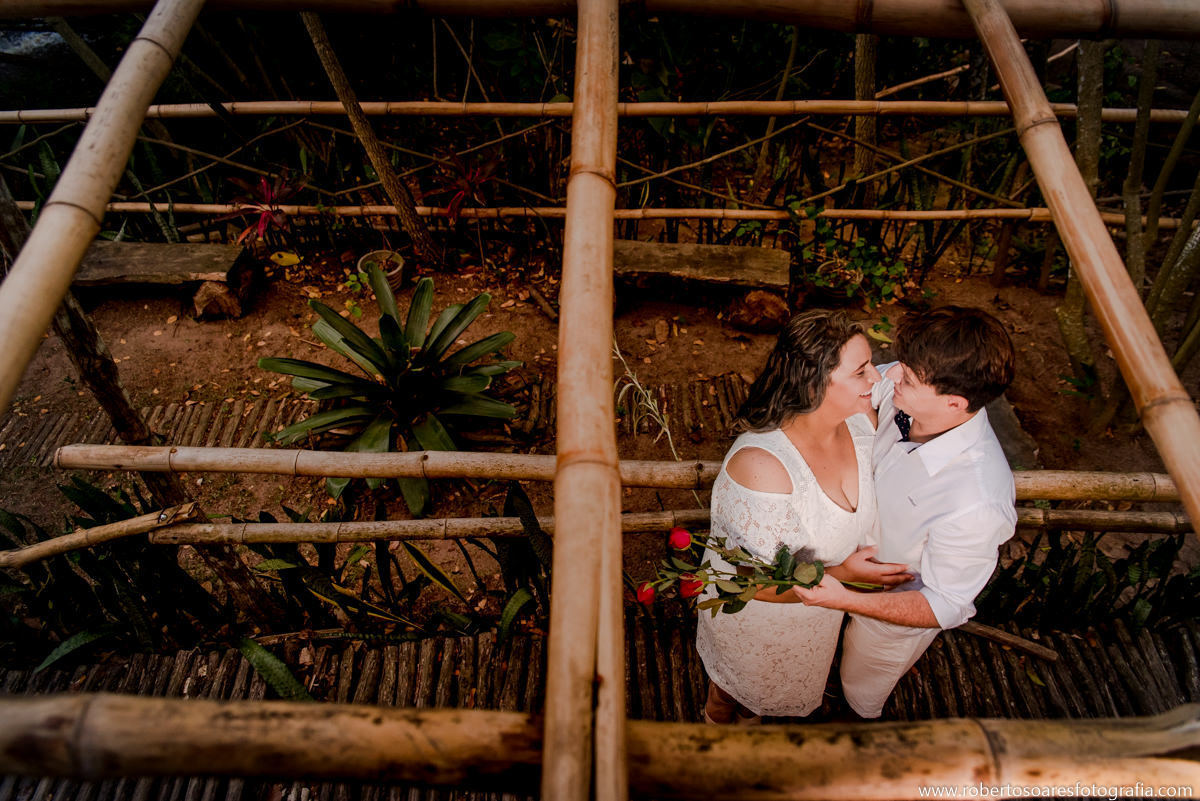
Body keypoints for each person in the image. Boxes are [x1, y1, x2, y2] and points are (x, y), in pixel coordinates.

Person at [793, 306, 1017, 719]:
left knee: (860, 686)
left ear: (954, 403)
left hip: (888, 612)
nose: (890, 374)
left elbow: (945, 603)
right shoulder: (911, 385)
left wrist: (846, 599)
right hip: (836, 558)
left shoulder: (978, 500)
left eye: (909, 378)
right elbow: (860, 390)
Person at [695, 309, 909, 723]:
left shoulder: (863, 423)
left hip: (817, 615)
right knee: (732, 690)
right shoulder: (762, 469)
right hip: (758, 617)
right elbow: (751, 585)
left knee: (769, 696)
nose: (876, 378)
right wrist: (845, 574)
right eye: (861, 371)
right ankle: (715, 727)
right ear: (814, 383)